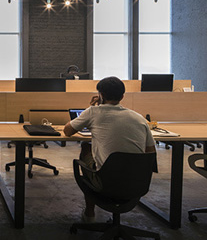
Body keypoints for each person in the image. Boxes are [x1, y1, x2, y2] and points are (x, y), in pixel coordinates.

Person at [63, 76, 155, 222]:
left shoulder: (93, 112)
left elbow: (67, 131)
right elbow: (151, 152)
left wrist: (92, 108)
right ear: (122, 96)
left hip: (105, 182)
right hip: (137, 182)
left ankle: (89, 213)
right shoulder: (139, 118)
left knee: (86, 147)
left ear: (101, 95)